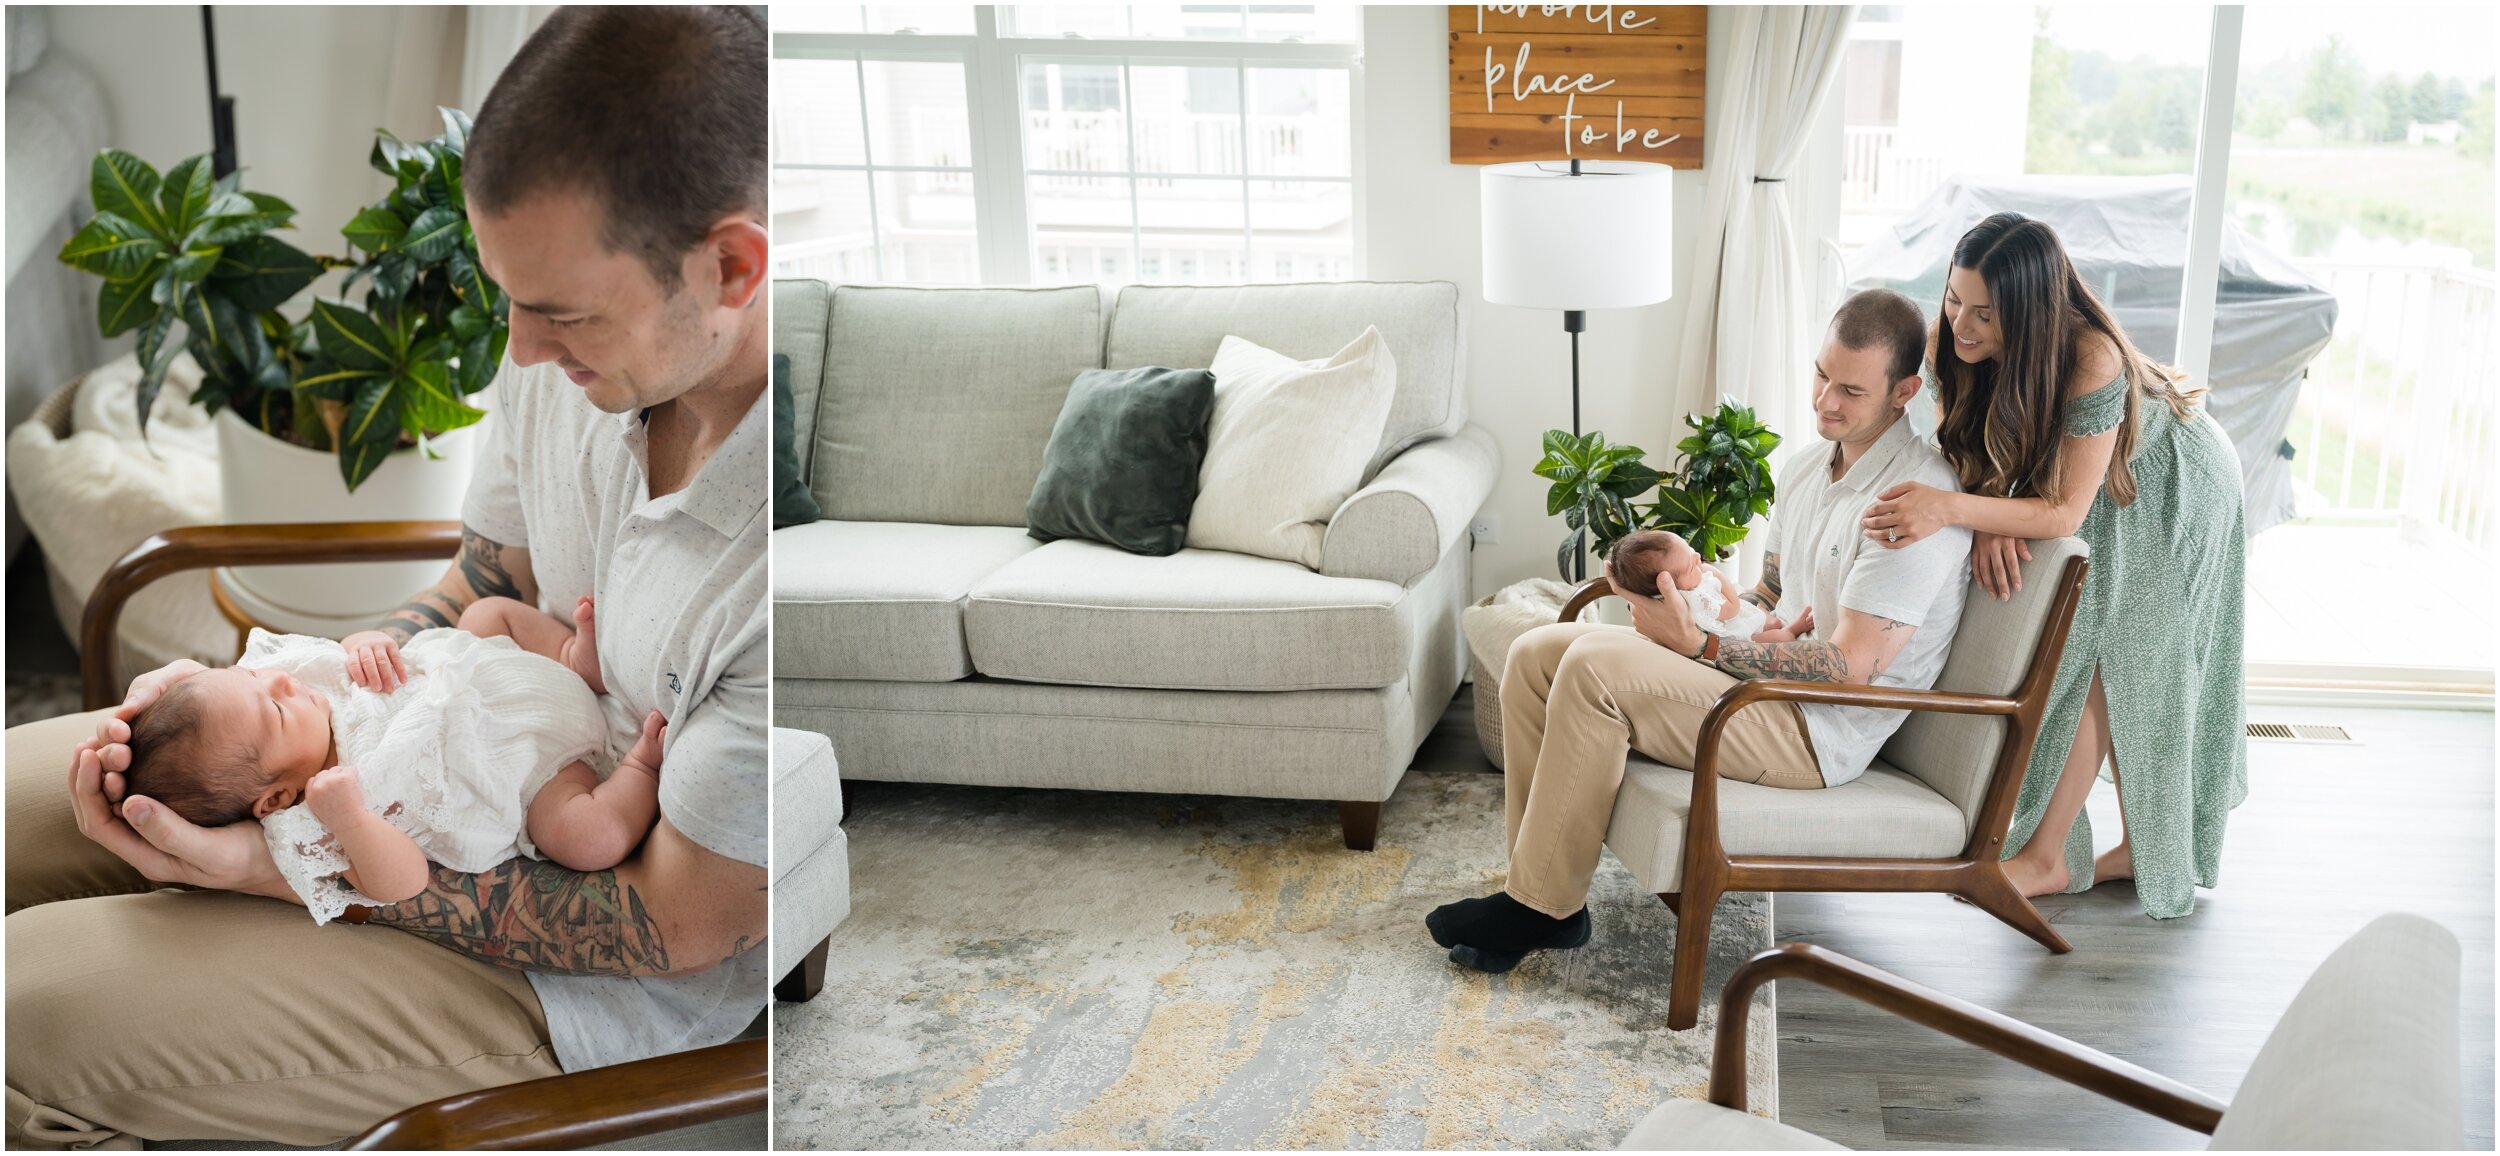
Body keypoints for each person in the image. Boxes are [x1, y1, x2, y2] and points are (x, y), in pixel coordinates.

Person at [6, 7, 770, 1146]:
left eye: (558, 312)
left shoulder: (767, 570)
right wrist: (287, 706)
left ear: (730, 266)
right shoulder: (567, 357)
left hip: (588, 981)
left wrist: (272, 863)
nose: (516, 351)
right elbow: (481, 579)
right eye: (505, 293)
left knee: (19, 1015)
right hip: (408, 777)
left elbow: (671, 921)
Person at [1426, 288, 1972, 973]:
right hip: (1759, 683)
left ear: (1904, 392)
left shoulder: (1909, 502)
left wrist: (1703, 646)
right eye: (1820, 375)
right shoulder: (1809, 468)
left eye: (1851, 391)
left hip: (1815, 731)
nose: (1825, 401)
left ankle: (1539, 910)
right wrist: (1694, 597)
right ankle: (1536, 891)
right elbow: (1769, 592)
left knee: (1595, 673)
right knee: (1537, 652)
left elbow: (1852, 668)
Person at [1858, 211, 2246, 919]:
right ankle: (2125, 851)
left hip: (2170, 482)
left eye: (1985, 312)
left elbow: (2064, 512)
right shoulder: (1958, 337)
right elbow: (1965, 444)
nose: (1962, 324)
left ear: (2032, 312)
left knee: (2121, 659)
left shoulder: (2089, 355)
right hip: (2083, 484)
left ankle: (2053, 855)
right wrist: (1985, 506)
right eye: (1953, 299)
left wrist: (1958, 512)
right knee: (2099, 651)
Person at [120, 624, 671, 925]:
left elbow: (356, 648)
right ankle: (641, 766)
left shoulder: (306, 683)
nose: (284, 685)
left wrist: (368, 644)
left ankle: (573, 657)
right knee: (583, 838)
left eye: (263, 681)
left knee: (488, 613)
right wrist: (353, 819)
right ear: (274, 798)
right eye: (277, 710)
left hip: (499, 672)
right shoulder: (313, 823)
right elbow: (403, 883)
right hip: (533, 767)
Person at [1603, 528, 1808, 642]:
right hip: (1735, 638)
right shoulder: (1693, 600)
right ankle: (1792, 630)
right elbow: (1732, 607)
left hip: (1733, 618)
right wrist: (1716, 572)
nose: (1698, 557)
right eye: (1690, 566)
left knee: (1766, 619)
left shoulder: (1689, 585)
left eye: (1689, 549)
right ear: (1668, 587)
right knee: (1771, 637)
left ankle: (1766, 618)